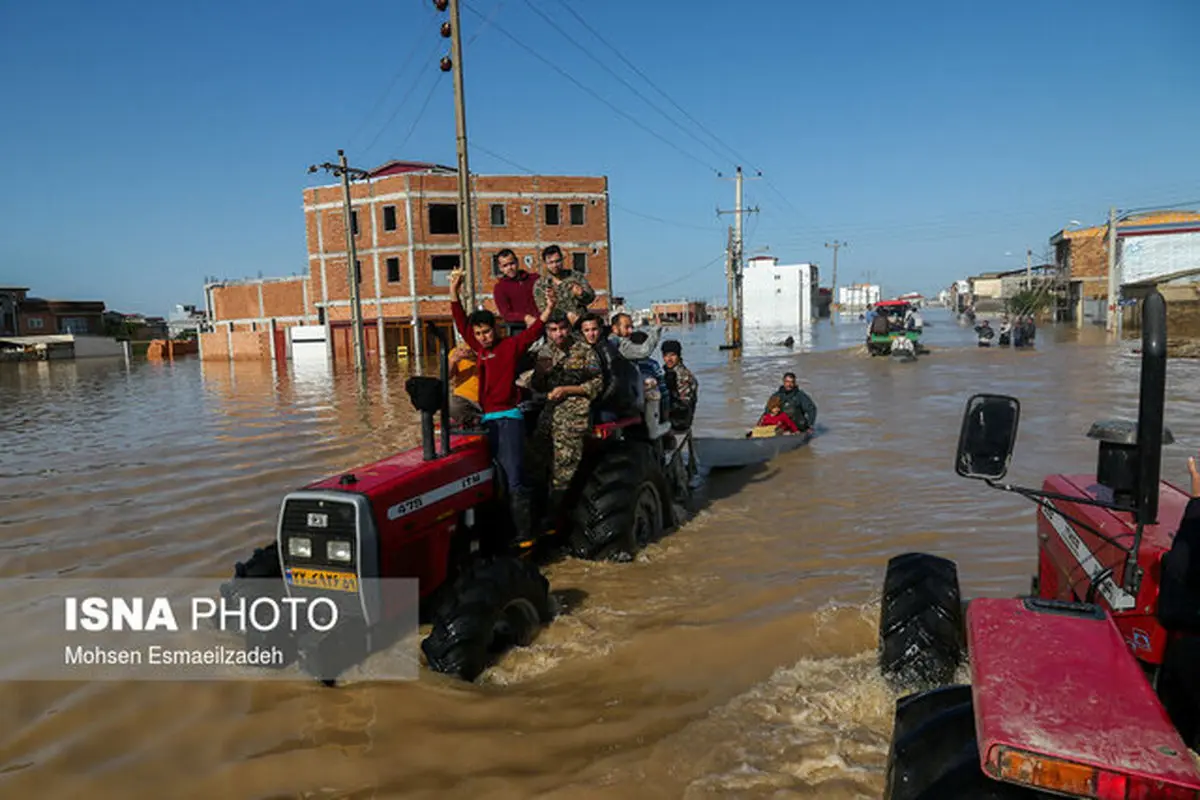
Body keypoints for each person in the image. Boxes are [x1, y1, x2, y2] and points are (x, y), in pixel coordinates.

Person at [449, 270, 555, 545]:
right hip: (489, 421)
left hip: (509, 419)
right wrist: (454, 290)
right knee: (499, 477)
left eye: (487, 332)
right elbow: (461, 322)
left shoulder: (510, 346)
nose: (483, 337)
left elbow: (534, 332)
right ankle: (505, 530)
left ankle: (525, 535)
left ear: (495, 328)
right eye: (479, 334)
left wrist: (549, 308)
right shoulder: (480, 350)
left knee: (514, 477)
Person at [529, 310, 604, 522]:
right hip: (548, 410)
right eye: (553, 330)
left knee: (565, 466)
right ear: (547, 331)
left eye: (562, 328)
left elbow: (597, 383)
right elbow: (537, 386)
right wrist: (540, 374)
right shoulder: (545, 352)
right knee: (536, 460)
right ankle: (538, 511)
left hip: (574, 411)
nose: (559, 334)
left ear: (569, 329)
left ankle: (556, 517)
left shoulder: (583, 350)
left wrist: (569, 390)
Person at [578, 313, 638, 421]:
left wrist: (597, 403)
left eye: (594, 329)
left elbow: (614, 383)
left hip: (610, 404)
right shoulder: (583, 349)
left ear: (600, 330)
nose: (591, 334)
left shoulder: (608, 351)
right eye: (586, 331)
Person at [610, 312, 668, 420]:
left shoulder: (608, 342)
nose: (631, 331)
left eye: (631, 327)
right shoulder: (618, 343)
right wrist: (656, 329)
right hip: (624, 403)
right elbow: (644, 351)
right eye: (626, 327)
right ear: (615, 329)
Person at [533, 245, 596, 325]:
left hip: (579, 324)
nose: (555, 265)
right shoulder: (541, 284)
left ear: (562, 260)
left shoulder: (575, 276)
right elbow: (543, 310)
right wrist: (566, 316)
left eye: (557, 261)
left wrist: (582, 294)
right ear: (545, 263)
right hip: (557, 328)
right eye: (551, 262)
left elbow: (591, 297)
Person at [492, 248, 539, 334]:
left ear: (517, 262)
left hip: (542, 325)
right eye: (505, 266)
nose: (509, 268)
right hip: (519, 330)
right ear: (500, 268)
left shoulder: (534, 279)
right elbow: (506, 314)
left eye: (512, 263)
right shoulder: (500, 288)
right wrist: (525, 317)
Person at [661, 340, 697, 430]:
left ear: (678, 356)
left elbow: (683, 406)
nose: (669, 359)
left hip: (680, 420)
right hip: (671, 416)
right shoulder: (668, 373)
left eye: (672, 355)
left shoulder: (684, 376)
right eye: (666, 355)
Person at [448, 341, 482, 428]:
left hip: (485, 396)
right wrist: (452, 361)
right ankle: (473, 420)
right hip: (463, 397)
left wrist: (475, 356)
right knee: (450, 404)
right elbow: (447, 376)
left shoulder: (488, 348)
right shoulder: (456, 351)